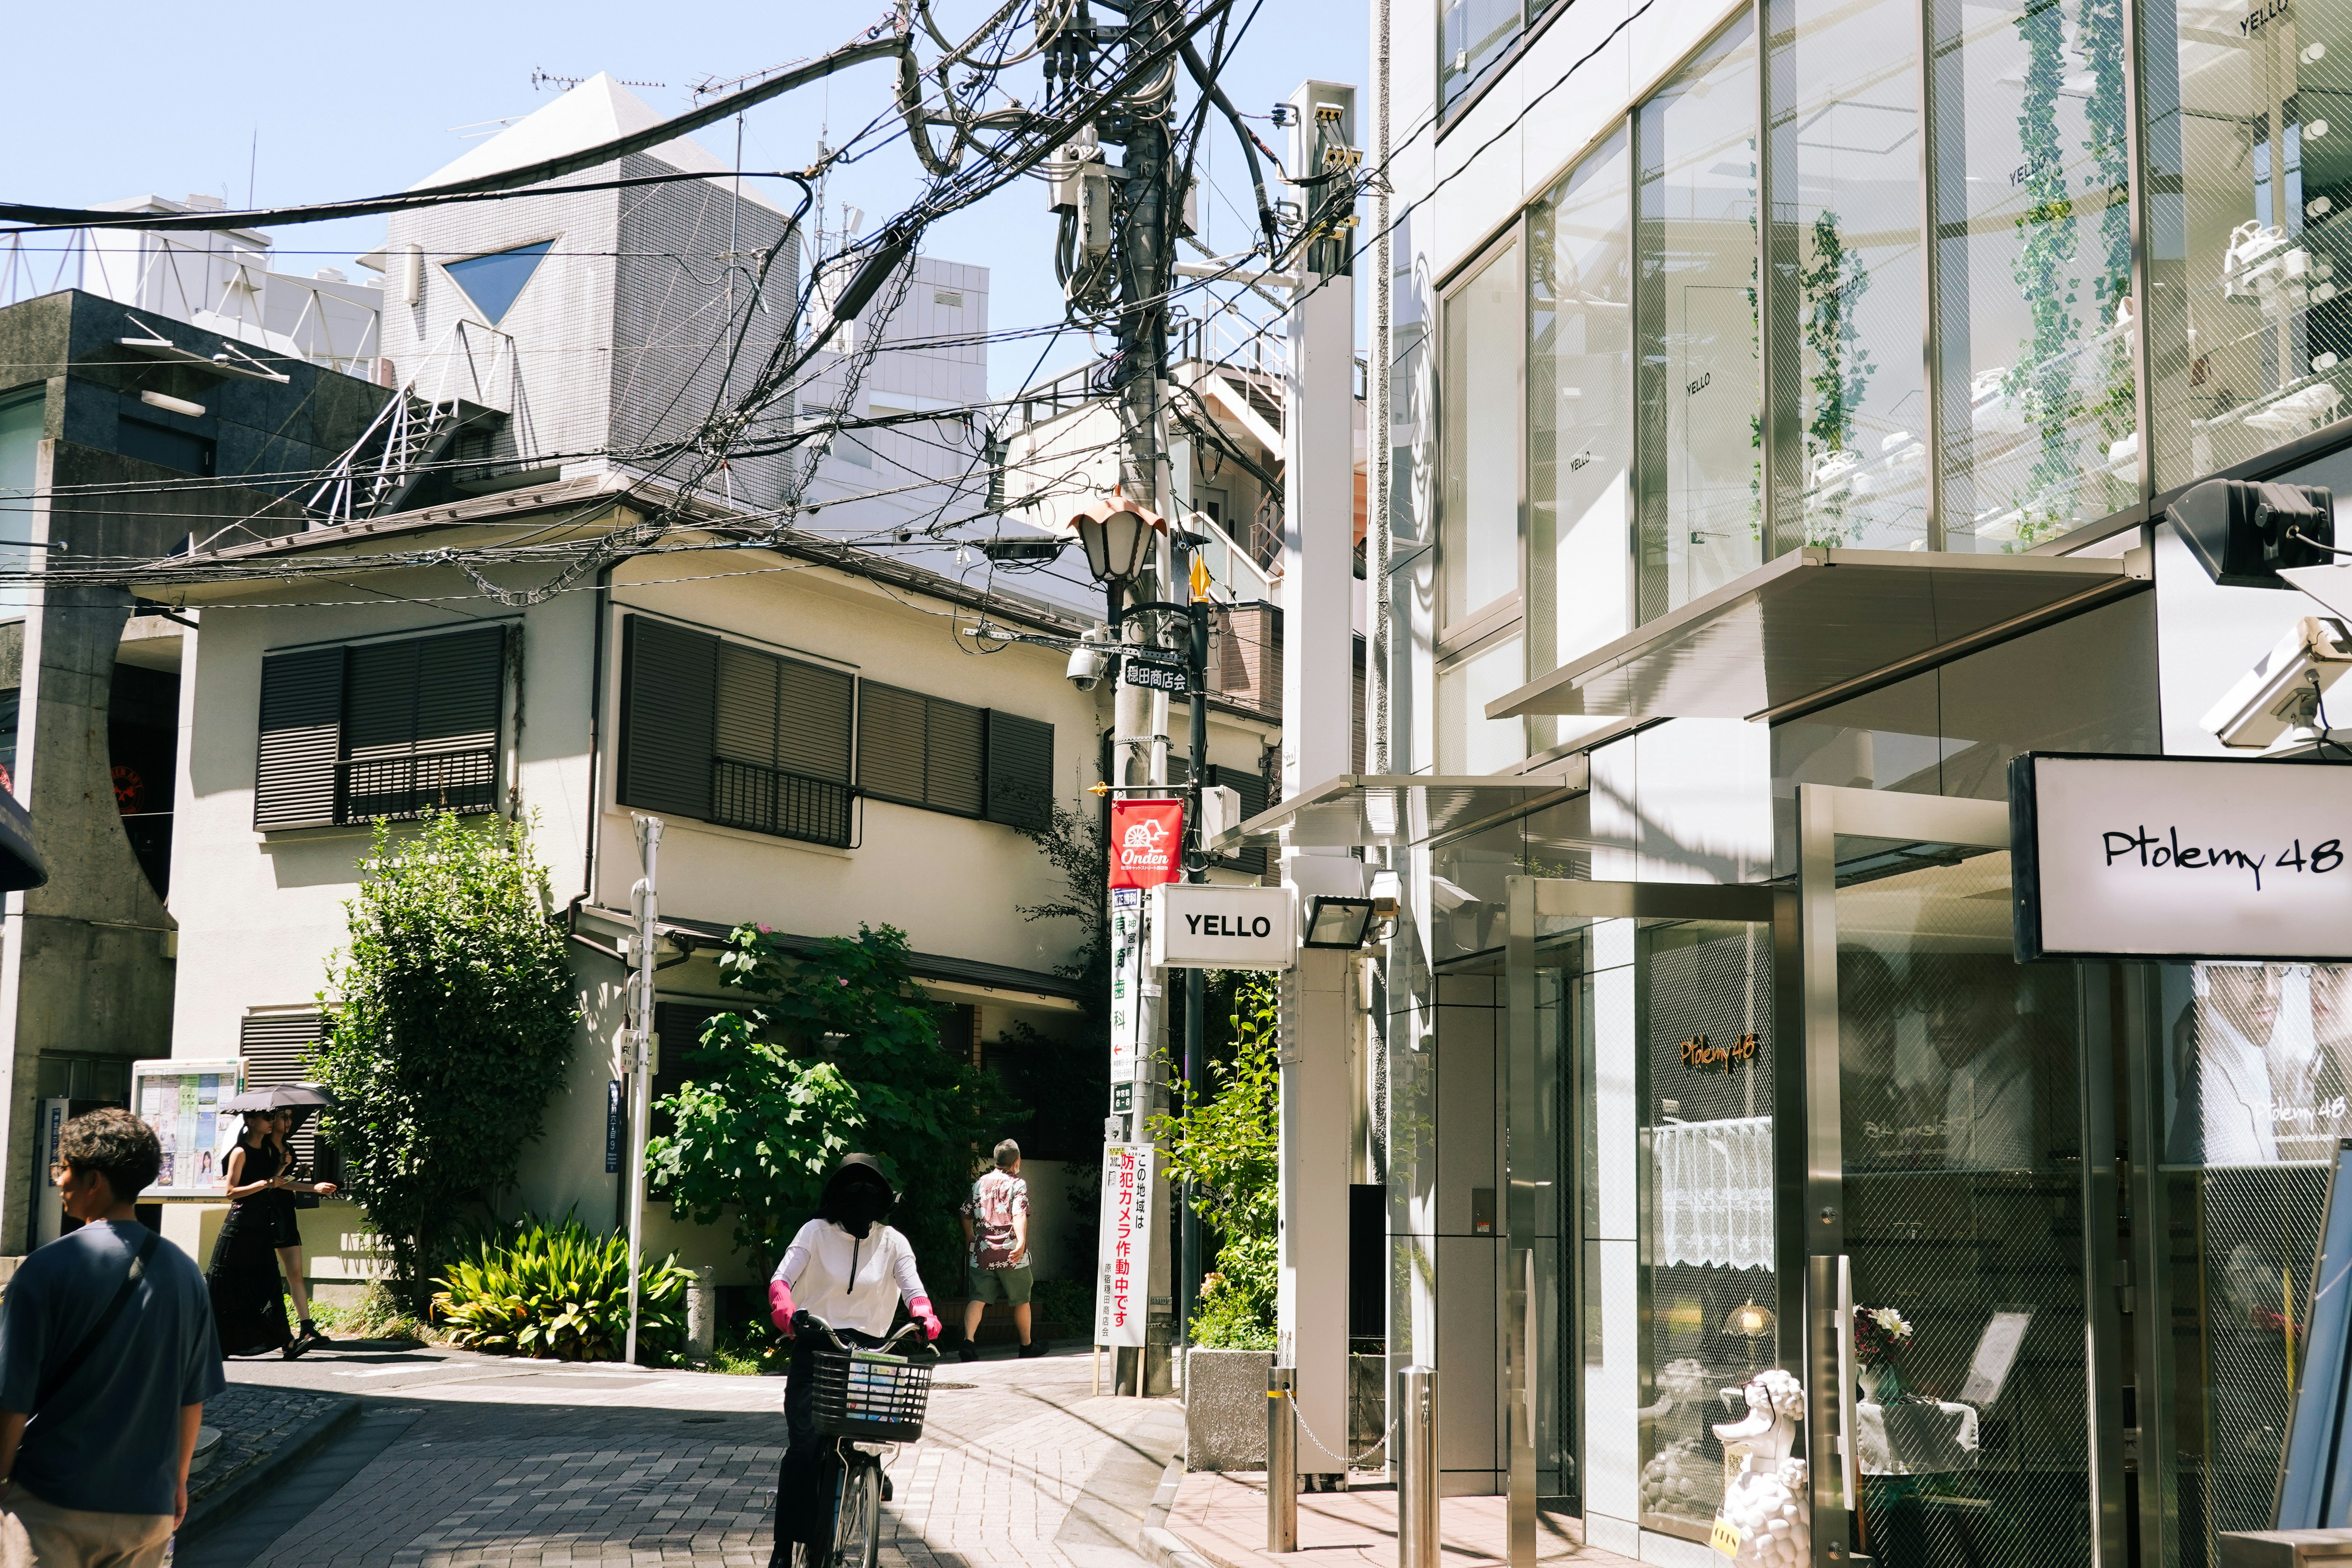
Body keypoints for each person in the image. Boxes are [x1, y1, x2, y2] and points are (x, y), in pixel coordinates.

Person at [0, 1108, 226, 1568]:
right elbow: (192, 1398)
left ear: (94, 1180)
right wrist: (178, 1483)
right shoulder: (185, 1274)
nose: (60, 1181)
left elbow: (12, 1400)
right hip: (146, 1513)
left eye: (64, 1168)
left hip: (53, 1507)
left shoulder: (45, 1271)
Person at [766, 1156, 941, 1567]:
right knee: (805, 1449)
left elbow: (912, 1287)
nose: (861, 1201)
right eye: (853, 1191)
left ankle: (868, 1470)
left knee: (869, 1433)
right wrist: (787, 1312)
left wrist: (924, 1315)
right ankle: (784, 1546)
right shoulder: (815, 1233)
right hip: (817, 1344)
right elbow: (781, 1280)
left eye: (871, 1192)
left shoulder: (893, 1241)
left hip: (870, 1353)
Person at [206, 1110, 322, 1359]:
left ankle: (287, 1343)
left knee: (269, 1282)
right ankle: (217, 1341)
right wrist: (265, 1183)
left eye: (272, 1118)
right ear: (250, 1122)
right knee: (226, 1283)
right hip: (239, 1226)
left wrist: (285, 1168)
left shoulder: (269, 1152)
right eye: (266, 1118)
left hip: (262, 1225)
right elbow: (230, 1192)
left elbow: (276, 1182)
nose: (271, 1122)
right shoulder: (240, 1152)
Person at [959, 1139, 1043, 1362]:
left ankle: (968, 1342)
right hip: (1010, 1253)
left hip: (983, 1252)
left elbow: (965, 1213)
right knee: (1021, 1299)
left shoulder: (979, 1184)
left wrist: (971, 1238)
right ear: (1016, 1162)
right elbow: (1019, 1214)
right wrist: (1021, 1241)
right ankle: (1026, 1345)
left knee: (977, 1298)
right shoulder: (1018, 1184)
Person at [263, 1109, 338, 1348]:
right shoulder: (261, 1147)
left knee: (296, 1271)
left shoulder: (288, 1147)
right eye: (283, 1117)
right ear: (271, 1120)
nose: (288, 1122)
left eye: (290, 1118)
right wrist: (311, 1187)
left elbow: (283, 1183)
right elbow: (269, 1183)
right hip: (265, 1212)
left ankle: (306, 1327)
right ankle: (270, 1330)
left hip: (285, 1211)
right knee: (265, 1275)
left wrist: (299, 1174)